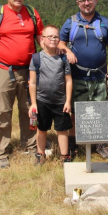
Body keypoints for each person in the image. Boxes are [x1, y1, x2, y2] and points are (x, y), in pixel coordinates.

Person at [0, 0, 44, 169]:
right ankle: (0, 152)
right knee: (2, 111)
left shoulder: (32, 13)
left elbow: (41, 38)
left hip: (29, 70)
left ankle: (31, 145)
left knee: (29, 109)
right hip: (4, 69)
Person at [58, 0, 108, 159]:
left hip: (100, 76)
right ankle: (74, 142)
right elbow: (60, 43)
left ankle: (100, 143)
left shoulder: (105, 22)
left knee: (100, 110)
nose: (87, 3)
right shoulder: (70, 22)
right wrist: (68, 51)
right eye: (83, 0)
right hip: (76, 76)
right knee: (76, 112)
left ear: (96, 0)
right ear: (78, 3)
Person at [28, 25, 73, 164]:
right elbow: (33, 82)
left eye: (56, 36)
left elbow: (68, 81)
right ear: (42, 39)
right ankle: (40, 155)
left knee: (62, 130)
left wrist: (68, 101)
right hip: (42, 101)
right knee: (41, 129)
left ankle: (65, 156)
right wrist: (34, 103)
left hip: (61, 101)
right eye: (50, 36)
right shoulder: (36, 58)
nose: (53, 39)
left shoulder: (63, 59)